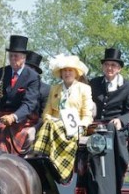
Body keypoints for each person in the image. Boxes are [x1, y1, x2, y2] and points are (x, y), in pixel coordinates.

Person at [87, 47, 129, 194]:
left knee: (106, 140)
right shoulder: (93, 84)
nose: (109, 68)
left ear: (119, 69)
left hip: (115, 131)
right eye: (107, 64)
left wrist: (121, 121)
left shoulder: (128, 86)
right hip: (94, 130)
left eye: (113, 65)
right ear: (103, 66)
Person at [29, 54, 94, 182]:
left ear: (76, 73)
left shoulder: (84, 89)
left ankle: (55, 166)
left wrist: (80, 128)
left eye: (70, 70)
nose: (67, 73)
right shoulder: (55, 89)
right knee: (49, 124)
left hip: (75, 129)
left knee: (52, 126)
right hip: (54, 126)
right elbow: (46, 112)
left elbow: (87, 115)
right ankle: (39, 159)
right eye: (64, 70)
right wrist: (51, 119)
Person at [0, 35, 41, 154]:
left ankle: (6, 161)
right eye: (11, 56)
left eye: (16, 56)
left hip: (23, 117)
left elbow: (29, 104)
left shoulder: (33, 77)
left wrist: (14, 117)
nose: (13, 58)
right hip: (3, 115)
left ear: (24, 58)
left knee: (4, 135)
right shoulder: (3, 72)